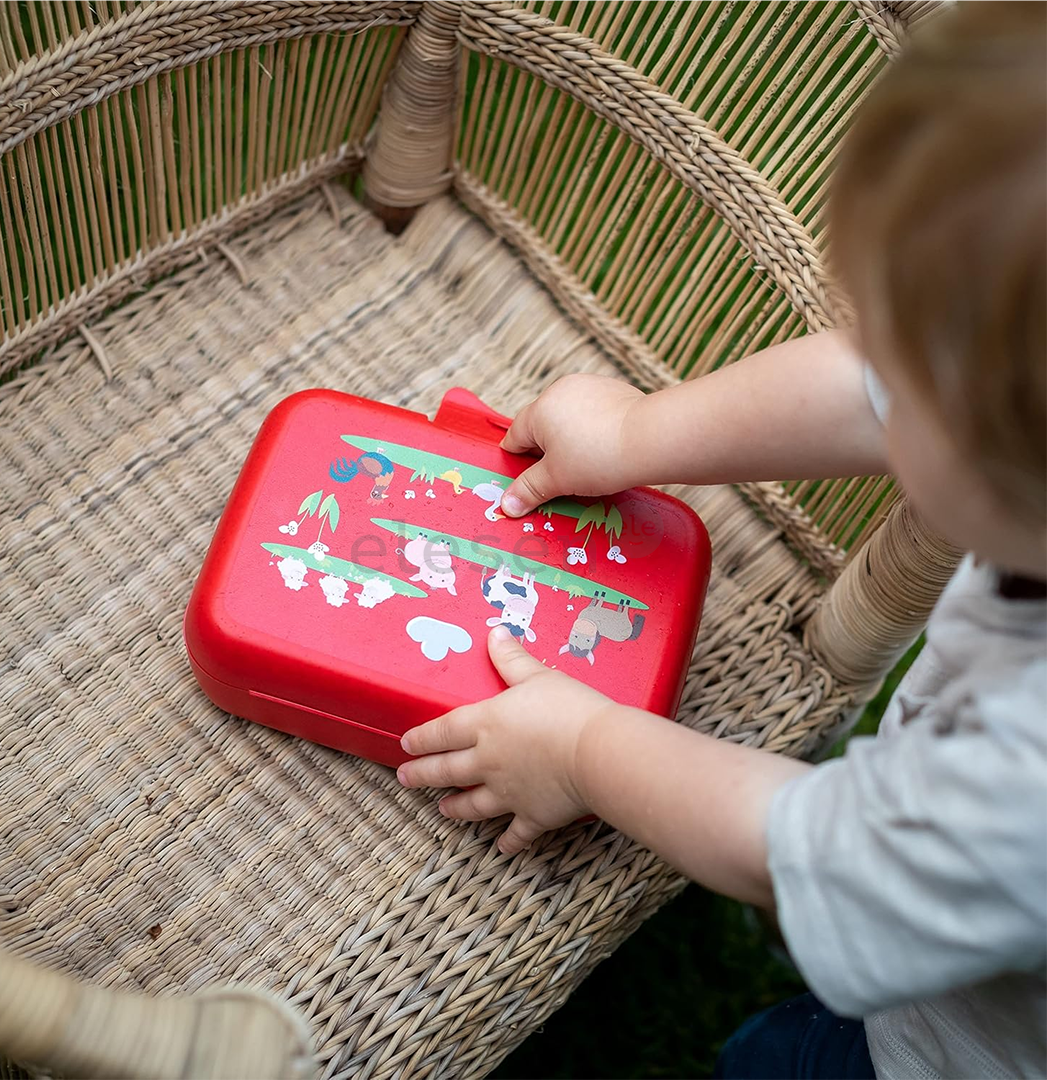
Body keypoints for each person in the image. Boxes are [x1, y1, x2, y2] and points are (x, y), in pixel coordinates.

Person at [394, 1, 1047, 1076]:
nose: (878, 378)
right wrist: (638, 435)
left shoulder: (1025, 780)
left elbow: (817, 859)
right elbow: (867, 392)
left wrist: (582, 749)